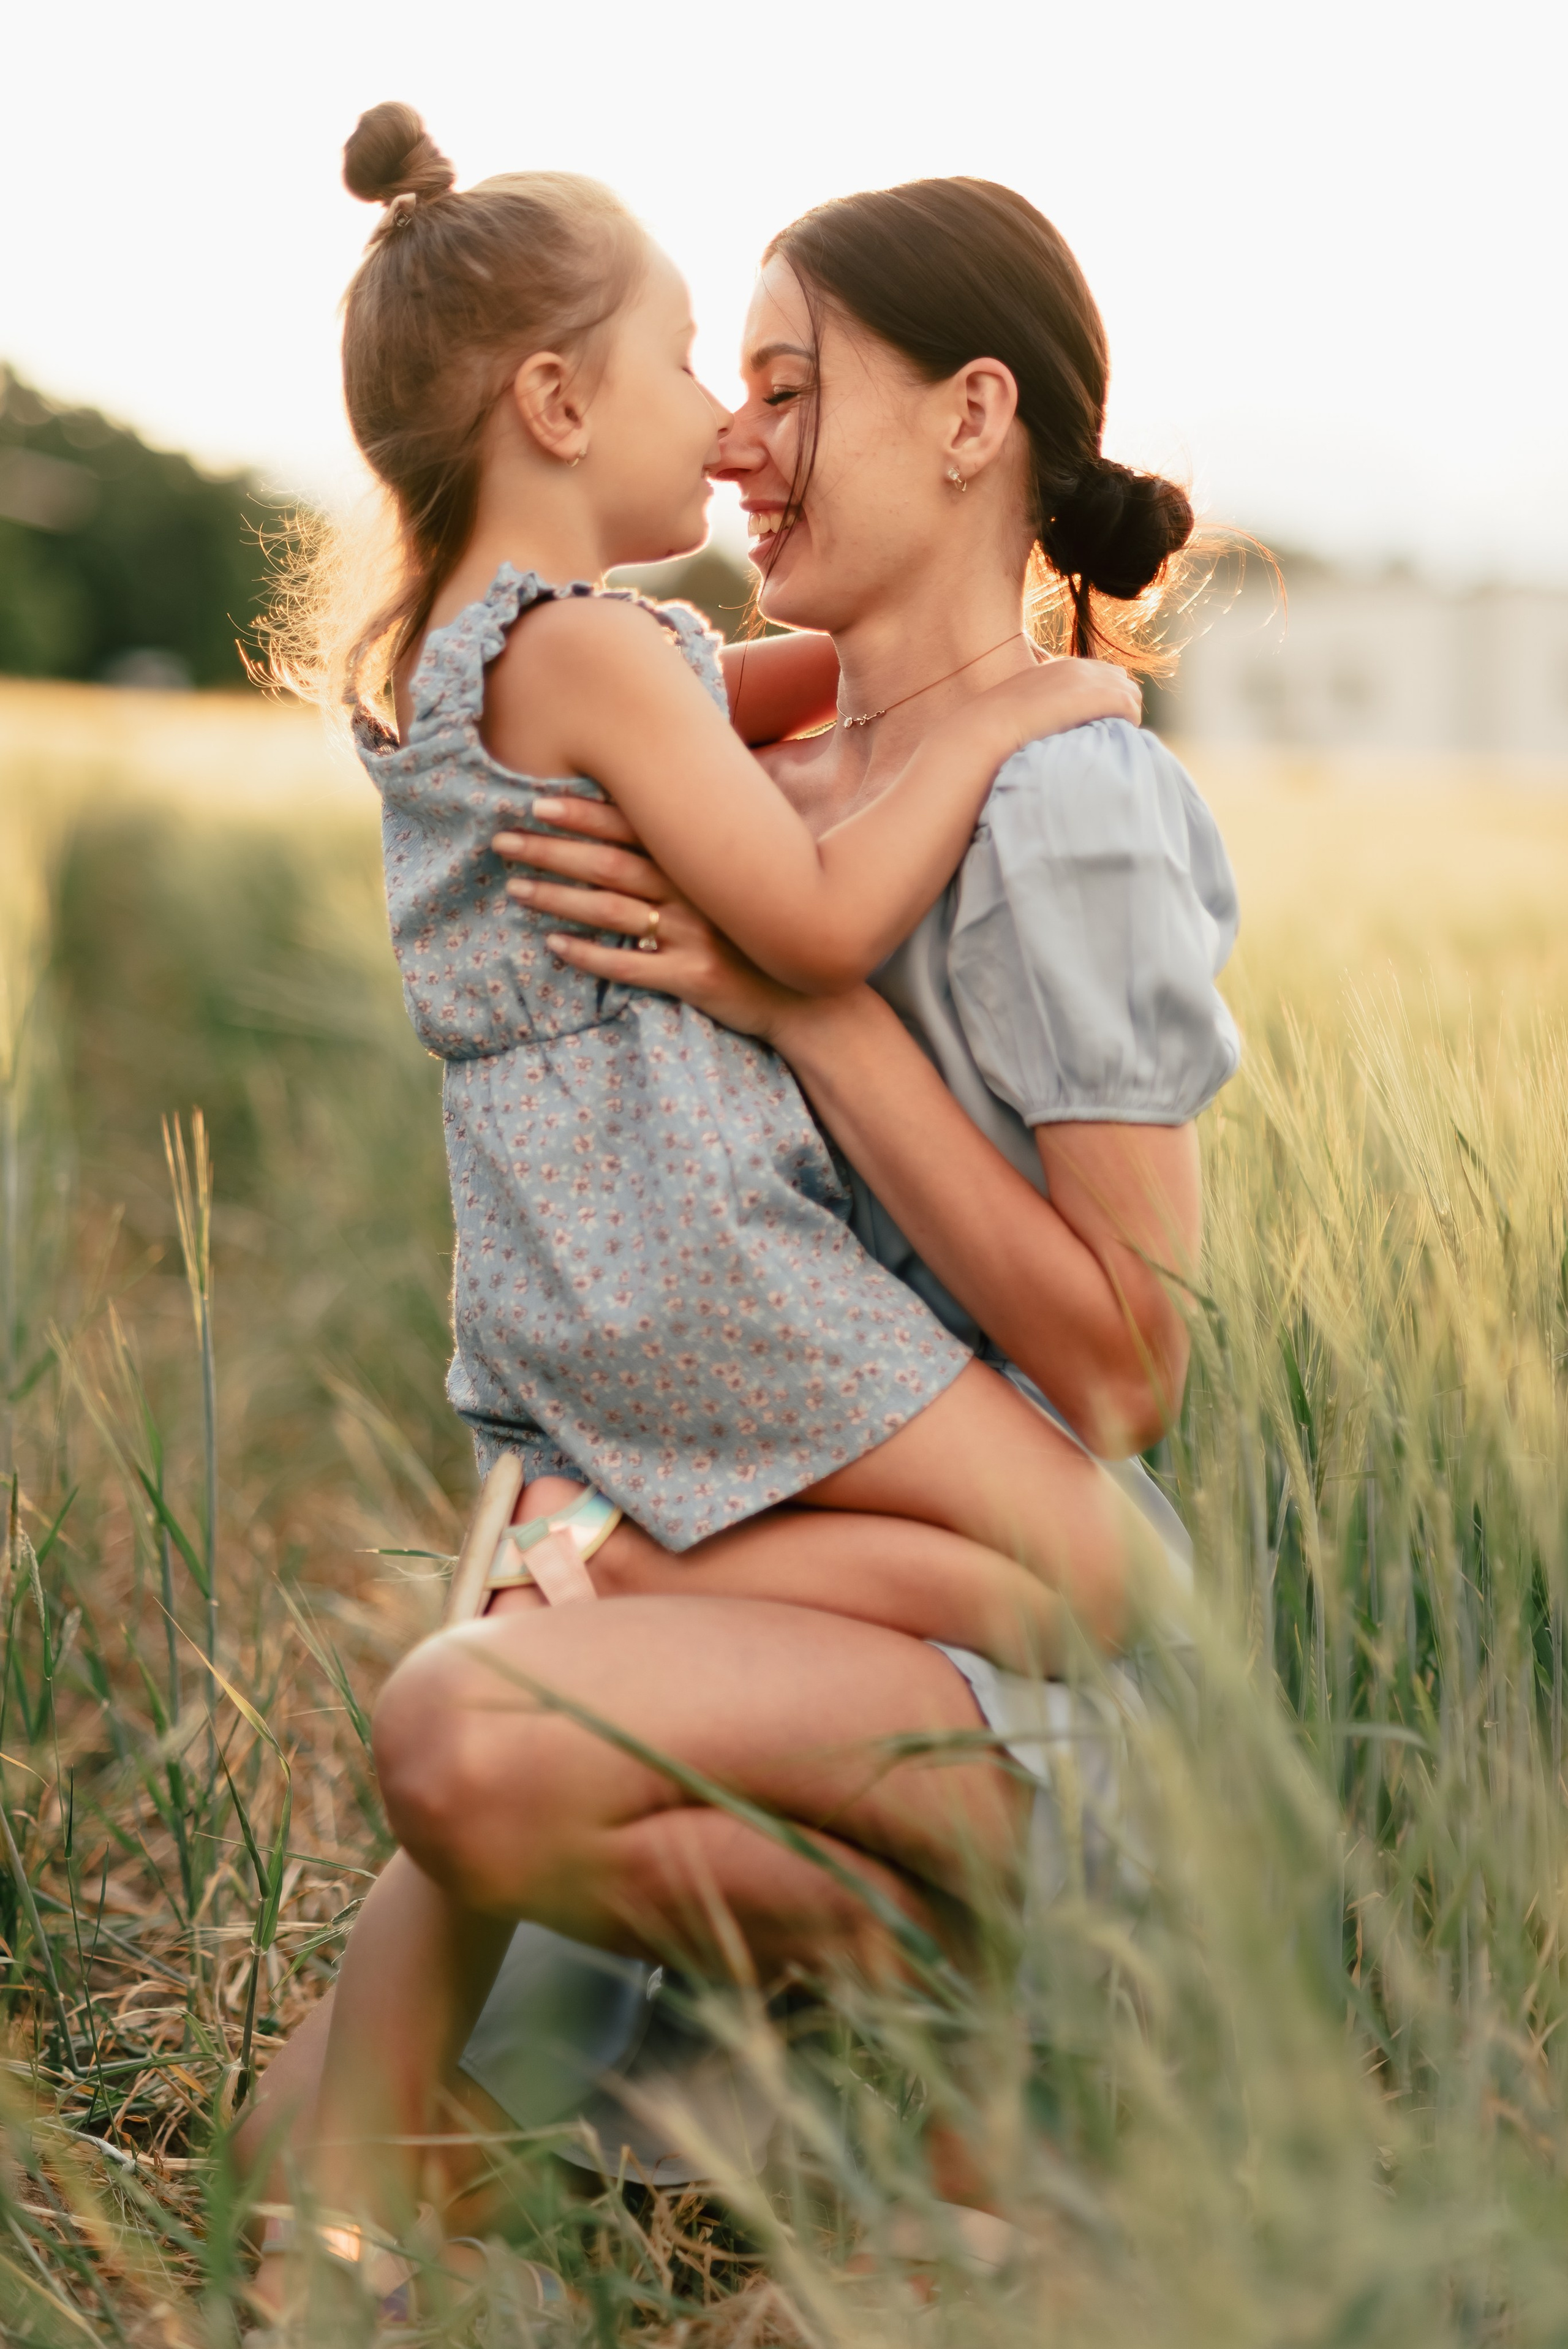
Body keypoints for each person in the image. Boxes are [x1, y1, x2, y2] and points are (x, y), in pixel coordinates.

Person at [244, 159, 1237, 2322]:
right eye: (717, 372)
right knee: (395, 1929)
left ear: (972, 420)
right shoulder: (689, 725)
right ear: (549, 400)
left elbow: (1129, 1375)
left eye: (785, 387)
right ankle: (889, 1997)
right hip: (766, 1482)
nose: (736, 435)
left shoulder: (1048, 799)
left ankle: (990, 1977)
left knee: (1080, 1569)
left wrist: (827, 949)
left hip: (936, 1626)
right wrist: (935, 725)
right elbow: (757, 761)